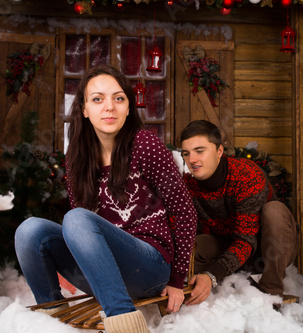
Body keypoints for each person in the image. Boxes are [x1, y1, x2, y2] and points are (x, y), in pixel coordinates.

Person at [15, 65, 197, 333]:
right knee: (29, 230)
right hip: (101, 270)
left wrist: (178, 279)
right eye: (98, 99)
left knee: (74, 218)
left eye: (118, 98)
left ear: (128, 108)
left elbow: (184, 212)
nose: (109, 107)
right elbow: (81, 230)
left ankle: (123, 322)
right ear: (85, 109)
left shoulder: (145, 144)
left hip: (148, 267)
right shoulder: (77, 159)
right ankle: (51, 315)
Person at [180, 120, 299, 309]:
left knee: (274, 211)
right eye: (186, 153)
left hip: (267, 248)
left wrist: (212, 275)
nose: (192, 159)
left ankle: (271, 293)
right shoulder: (187, 185)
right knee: (194, 247)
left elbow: (246, 241)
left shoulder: (246, 175)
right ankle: (233, 285)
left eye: (199, 150)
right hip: (227, 244)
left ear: (219, 151)